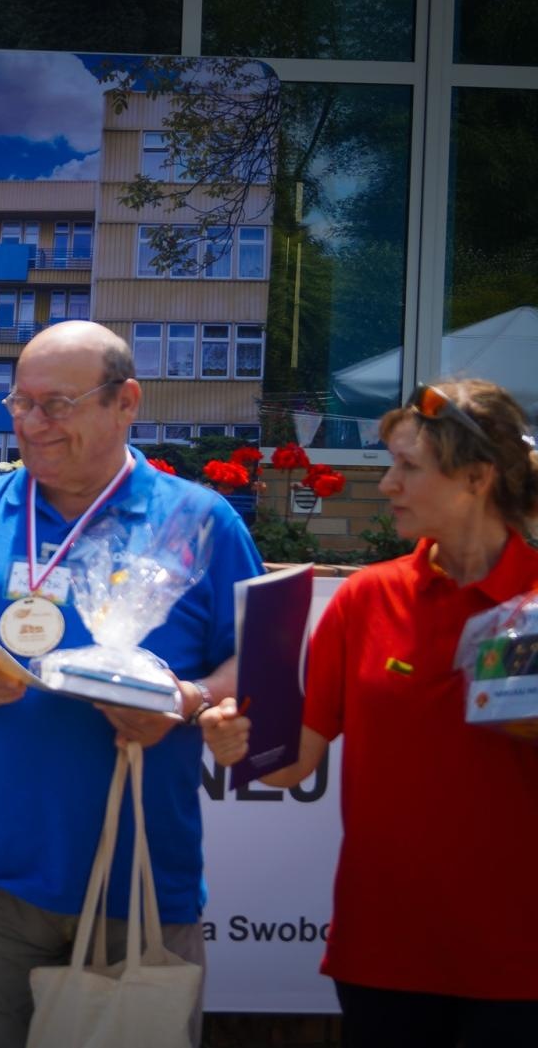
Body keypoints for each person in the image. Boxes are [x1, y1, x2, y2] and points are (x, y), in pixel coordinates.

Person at [0, 320, 263, 1048]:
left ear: (126, 402)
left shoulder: (201, 521)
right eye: (21, 404)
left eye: (58, 404)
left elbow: (257, 663)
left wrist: (183, 703)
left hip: (139, 882)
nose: (33, 424)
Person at [203, 379, 538, 1047]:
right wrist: (233, 737)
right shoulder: (366, 598)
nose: (387, 485)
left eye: (409, 467)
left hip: (520, 960)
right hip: (384, 954)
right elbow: (289, 761)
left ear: (477, 477)